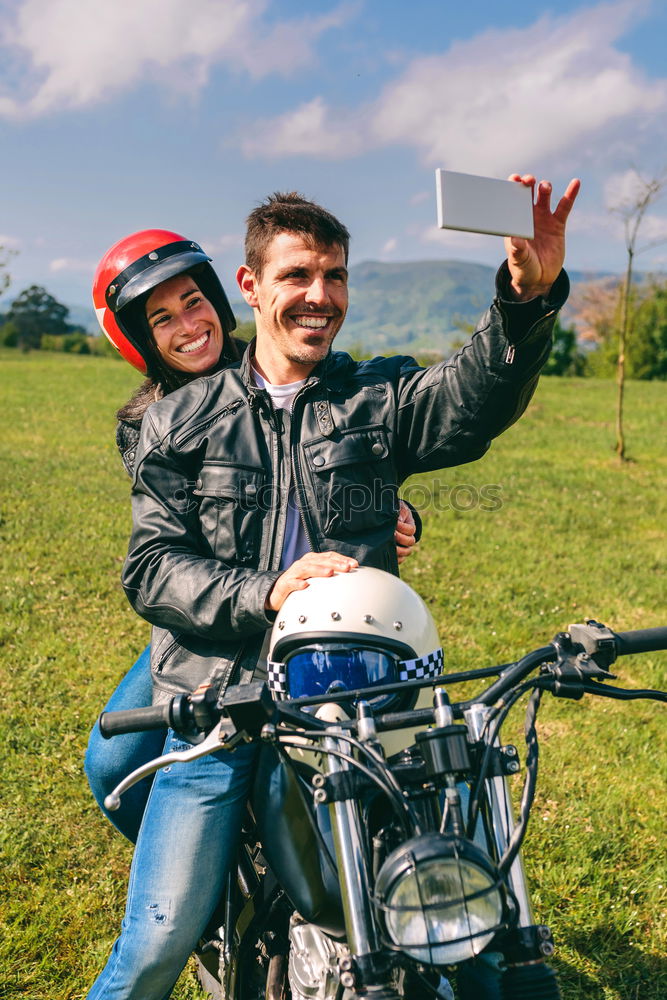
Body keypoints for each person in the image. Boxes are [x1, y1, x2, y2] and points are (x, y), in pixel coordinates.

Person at [87, 176, 579, 998]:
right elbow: (152, 568)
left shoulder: (372, 398)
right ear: (251, 287)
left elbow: (470, 401)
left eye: (335, 276)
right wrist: (268, 589)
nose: (320, 296)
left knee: (464, 917)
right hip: (220, 699)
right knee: (157, 943)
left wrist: (525, 302)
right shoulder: (178, 420)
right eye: (297, 277)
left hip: (353, 696)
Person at [85, 230, 419, 844]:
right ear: (138, 338)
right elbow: (181, 551)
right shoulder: (147, 426)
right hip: (211, 610)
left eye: (195, 302)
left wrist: (391, 509)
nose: (189, 326)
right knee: (108, 763)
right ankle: (212, 861)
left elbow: (322, 465)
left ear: (223, 296)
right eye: (162, 319)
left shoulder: (270, 367)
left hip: (303, 599)